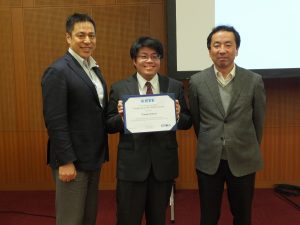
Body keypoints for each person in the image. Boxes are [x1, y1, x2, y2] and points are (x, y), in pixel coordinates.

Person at [106, 36, 192, 225]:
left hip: (162, 166)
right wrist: (122, 118)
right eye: (143, 56)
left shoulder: (174, 86)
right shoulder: (120, 88)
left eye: (155, 56)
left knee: (157, 219)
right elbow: (108, 125)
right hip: (131, 167)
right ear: (134, 61)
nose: (150, 61)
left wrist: (177, 115)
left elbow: (187, 121)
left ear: (160, 60)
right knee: (128, 219)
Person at [188, 25, 266, 225]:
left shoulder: (254, 80)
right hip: (209, 158)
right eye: (216, 45)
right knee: (208, 215)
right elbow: (197, 120)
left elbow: (258, 120)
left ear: (237, 49)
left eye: (228, 45)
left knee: (242, 215)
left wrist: (246, 145)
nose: (222, 50)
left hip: (243, 157)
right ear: (209, 50)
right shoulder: (197, 81)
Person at [41, 13, 109, 225]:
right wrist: (65, 161)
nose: (87, 40)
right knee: (70, 219)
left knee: (88, 217)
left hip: (91, 157)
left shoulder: (93, 69)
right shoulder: (58, 71)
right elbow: (55, 121)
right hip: (72, 161)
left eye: (92, 35)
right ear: (68, 38)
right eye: (81, 35)